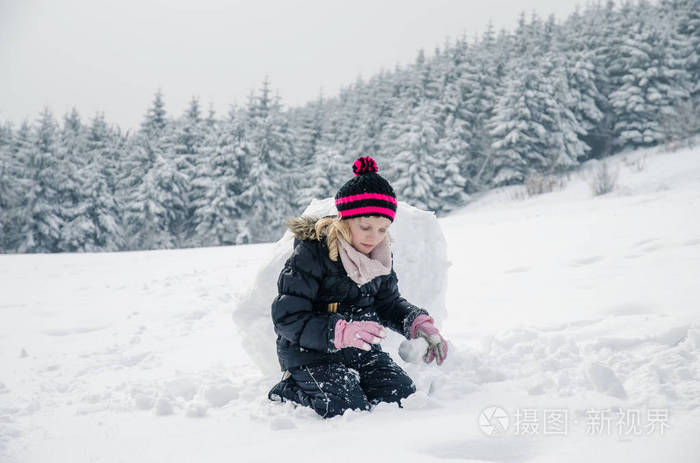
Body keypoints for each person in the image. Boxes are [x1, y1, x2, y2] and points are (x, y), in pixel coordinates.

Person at [267, 156, 448, 418]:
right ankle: (289, 389)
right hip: (311, 353)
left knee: (402, 396)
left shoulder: (379, 258)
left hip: (361, 352)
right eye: (365, 227)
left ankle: (357, 382)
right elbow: (287, 317)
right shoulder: (312, 253)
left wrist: (416, 322)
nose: (373, 237)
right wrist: (337, 332)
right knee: (346, 406)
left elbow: (387, 303)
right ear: (345, 220)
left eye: (382, 229)